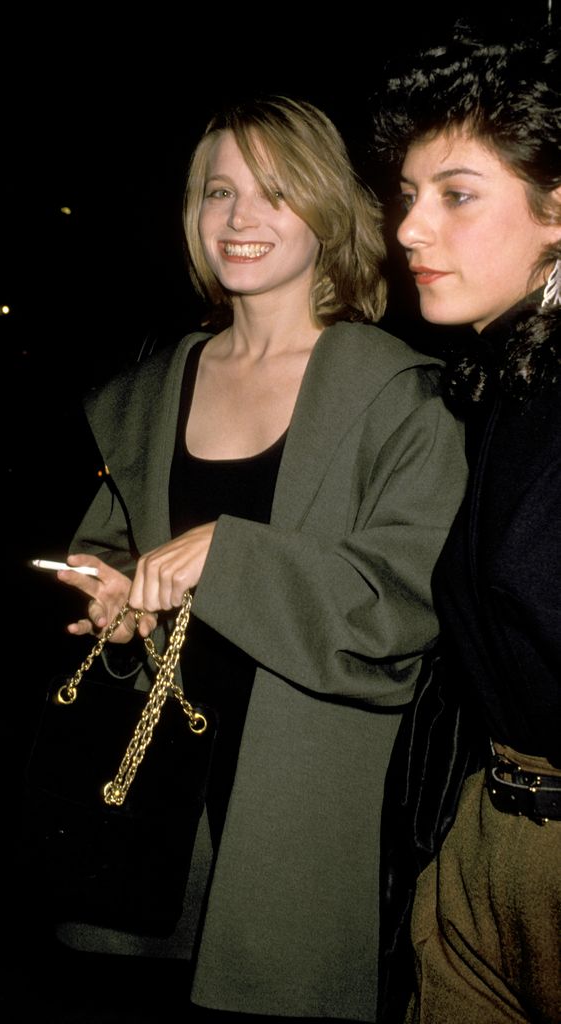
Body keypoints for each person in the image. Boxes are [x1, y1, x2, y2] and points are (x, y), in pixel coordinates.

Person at [52, 95, 468, 1022]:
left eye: (275, 192)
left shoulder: (399, 395)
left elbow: (402, 612)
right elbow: (108, 541)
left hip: (302, 809)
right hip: (151, 806)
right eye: (218, 191)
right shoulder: (149, 387)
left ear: (328, 212)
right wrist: (108, 593)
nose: (239, 218)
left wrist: (227, 557)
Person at [372, 26, 561, 1024]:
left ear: (556, 212)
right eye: (406, 194)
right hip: (484, 842)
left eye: (454, 193)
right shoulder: (494, 385)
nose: (407, 227)